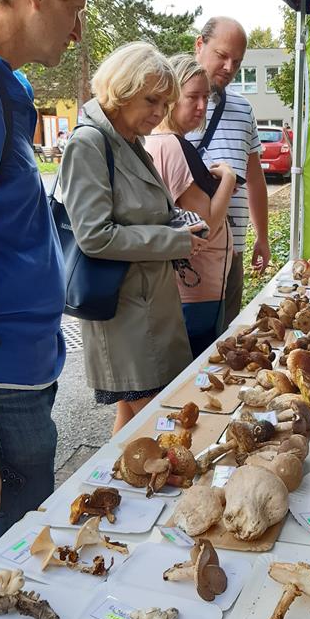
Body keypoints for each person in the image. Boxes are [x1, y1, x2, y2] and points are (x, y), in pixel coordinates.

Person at [0, 0, 98, 563]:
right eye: (73, 7)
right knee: (2, 584)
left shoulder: (0, 85)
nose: (77, 33)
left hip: (17, 380)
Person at [60, 42, 202, 435]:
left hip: (147, 305)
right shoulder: (90, 143)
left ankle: (113, 482)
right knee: (161, 423)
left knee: (132, 420)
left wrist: (179, 223)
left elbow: (143, 209)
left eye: (165, 103)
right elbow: (95, 236)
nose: (160, 113)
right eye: (152, 100)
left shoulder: (129, 141)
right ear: (121, 89)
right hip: (126, 314)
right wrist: (174, 240)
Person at [145, 55, 236, 356]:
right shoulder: (173, 145)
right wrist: (229, 178)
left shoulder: (151, 142)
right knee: (193, 377)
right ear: (171, 97)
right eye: (192, 97)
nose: (201, 107)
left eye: (205, 98)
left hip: (177, 286)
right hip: (198, 289)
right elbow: (206, 225)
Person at [188, 17, 270, 328]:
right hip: (189, 251)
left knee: (227, 343)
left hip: (232, 248)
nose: (229, 66)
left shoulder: (243, 109)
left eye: (237, 61)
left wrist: (262, 236)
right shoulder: (170, 102)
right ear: (200, 45)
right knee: (190, 347)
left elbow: (255, 178)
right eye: (222, 55)